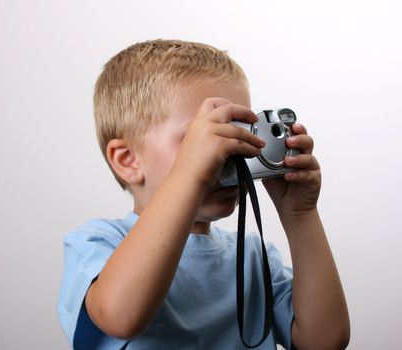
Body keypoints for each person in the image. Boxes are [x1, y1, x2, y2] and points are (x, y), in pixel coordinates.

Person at [58, 39, 350, 349]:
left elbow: (325, 341)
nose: (228, 153)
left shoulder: (252, 258)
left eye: (238, 133)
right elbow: (120, 318)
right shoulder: (99, 243)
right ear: (128, 160)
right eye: (201, 137)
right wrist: (190, 174)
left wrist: (300, 214)